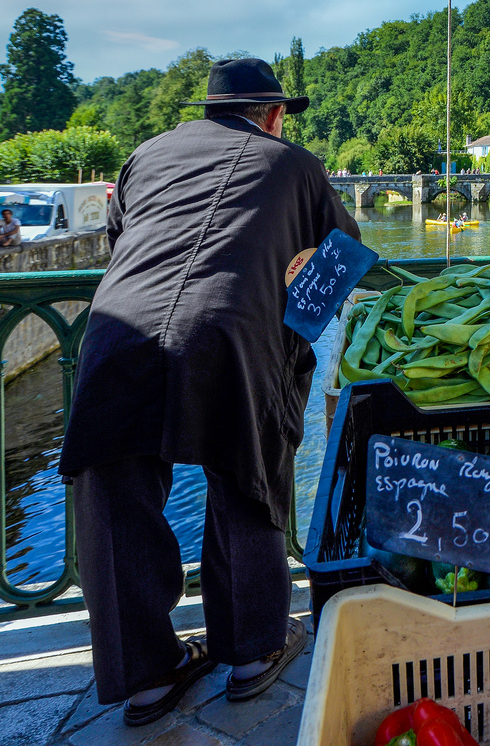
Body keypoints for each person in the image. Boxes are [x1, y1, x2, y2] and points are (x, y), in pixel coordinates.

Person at [59, 58, 361, 726]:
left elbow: (123, 244)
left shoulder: (145, 155)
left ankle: (145, 679)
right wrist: (294, 325)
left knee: (114, 491)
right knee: (245, 474)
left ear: (208, 110)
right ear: (275, 115)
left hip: (115, 332)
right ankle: (253, 656)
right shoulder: (295, 163)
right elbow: (343, 259)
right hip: (231, 334)